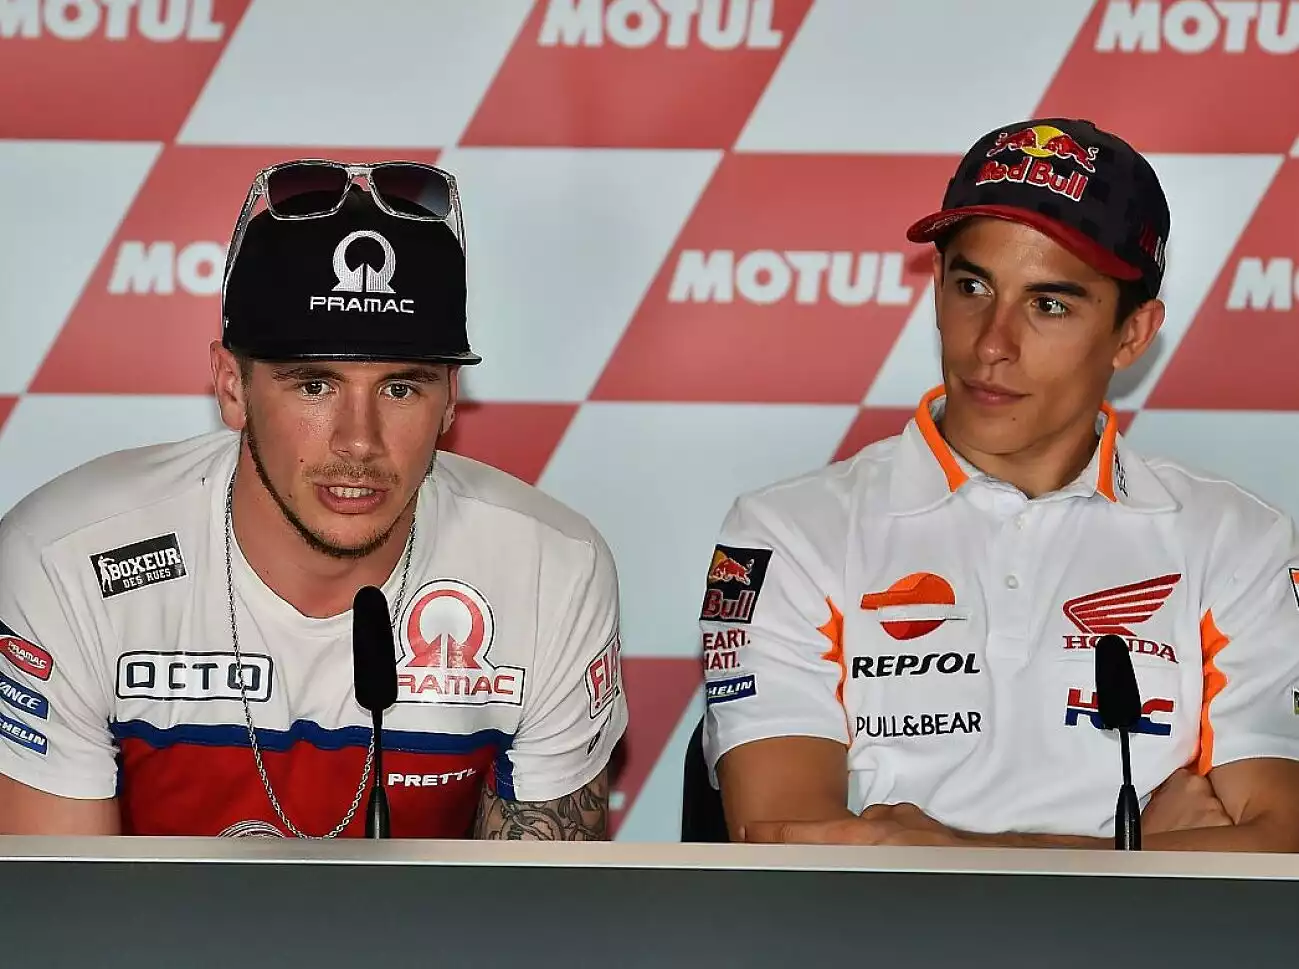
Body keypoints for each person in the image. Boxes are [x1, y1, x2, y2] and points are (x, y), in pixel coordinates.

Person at [697, 118, 1299, 851]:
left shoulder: (1238, 540)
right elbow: (787, 849)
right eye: (972, 286)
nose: (990, 344)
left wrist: (954, 853)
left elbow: (1281, 848)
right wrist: (1135, 856)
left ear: (1133, 334)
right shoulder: (789, 532)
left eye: (1049, 305)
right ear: (936, 288)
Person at [0, 161, 627, 840]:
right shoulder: (66, 561)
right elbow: (66, 900)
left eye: (400, 388)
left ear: (450, 397)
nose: (359, 441)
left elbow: (534, 899)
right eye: (314, 385)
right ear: (232, 387)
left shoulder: (550, 569)